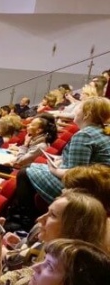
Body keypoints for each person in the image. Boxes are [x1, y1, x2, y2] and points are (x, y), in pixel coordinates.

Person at [12, 96, 110, 224]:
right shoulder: (101, 132)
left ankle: (25, 220)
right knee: (29, 168)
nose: (75, 111)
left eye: (79, 108)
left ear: (87, 114)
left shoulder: (85, 135)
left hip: (83, 191)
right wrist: (60, 161)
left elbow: (75, 176)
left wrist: (54, 169)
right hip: (97, 187)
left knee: (24, 172)